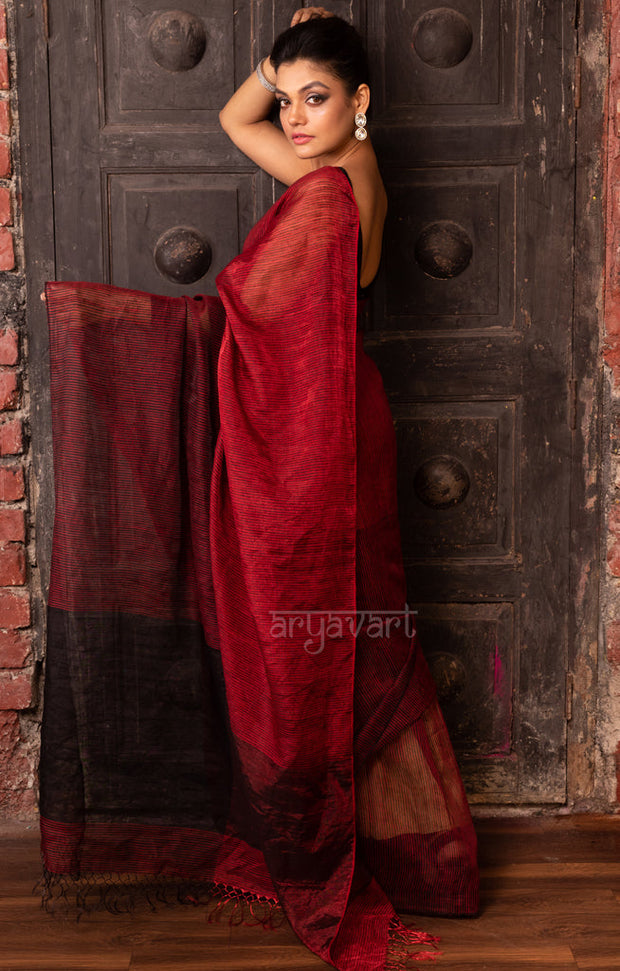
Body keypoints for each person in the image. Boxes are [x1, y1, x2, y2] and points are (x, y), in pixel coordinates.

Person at [38, 9, 479, 970]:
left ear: (361, 100)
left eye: (316, 100)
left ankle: (330, 847)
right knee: (360, 628)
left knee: (313, 633)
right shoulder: (356, 175)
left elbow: (250, 306)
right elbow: (238, 126)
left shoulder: (324, 194)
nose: (294, 117)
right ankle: (422, 857)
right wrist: (281, 59)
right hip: (342, 409)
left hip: (313, 435)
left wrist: (120, 327)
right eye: (291, 101)